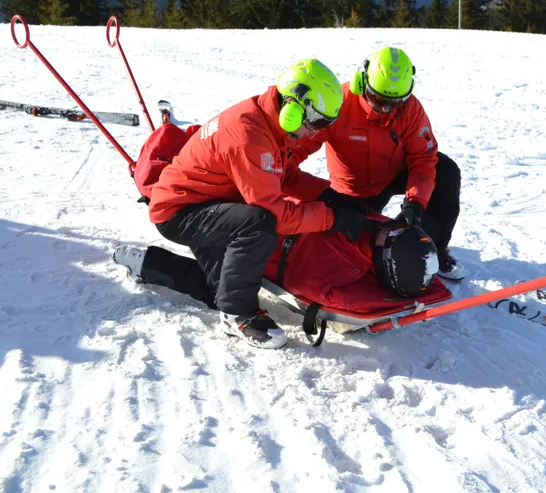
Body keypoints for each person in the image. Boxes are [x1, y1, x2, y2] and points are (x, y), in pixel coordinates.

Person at [113, 58, 372, 350]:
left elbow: (284, 174)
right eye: (316, 123)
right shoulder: (250, 135)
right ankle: (238, 315)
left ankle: (147, 264)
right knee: (258, 223)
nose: (314, 133)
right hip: (180, 211)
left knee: (220, 292)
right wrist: (332, 218)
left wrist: (329, 195)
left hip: (209, 203)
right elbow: (277, 213)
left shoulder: (269, 120)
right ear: (294, 109)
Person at [294, 46, 464, 281]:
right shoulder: (338, 103)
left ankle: (433, 249)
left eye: (394, 103)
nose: (385, 109)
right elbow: (295, 150)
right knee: (358, 250)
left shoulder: (410, 109)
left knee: (445, 171)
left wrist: (415, 203)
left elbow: (423, 158)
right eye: (378, 99)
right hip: (353, 189)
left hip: (393, 172)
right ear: (361, 82)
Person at [113, 220, 445, 332]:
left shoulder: (360, 242)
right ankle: (148, 264)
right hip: (249, 230)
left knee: (225, 287)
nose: (387, 233)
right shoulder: (353, 256)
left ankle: (149, 263)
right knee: (222, 295)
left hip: (258, 227)